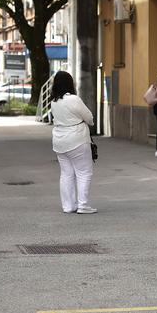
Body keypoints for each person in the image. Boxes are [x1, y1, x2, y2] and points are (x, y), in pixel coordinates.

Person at [50, 71, 97, 214]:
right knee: (84, 172)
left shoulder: (53, 101)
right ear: (70, 83)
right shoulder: (74, 99)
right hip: (77, 139)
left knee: (66, 174)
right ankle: (83, 205)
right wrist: (89, 122)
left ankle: (68, 206)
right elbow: (89, 117)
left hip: (59, 141)